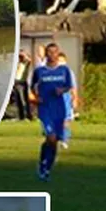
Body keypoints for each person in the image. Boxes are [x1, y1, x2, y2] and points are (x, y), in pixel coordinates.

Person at [30, 43, 75, 182]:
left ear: (58, 53)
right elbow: (32, 87)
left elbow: (69, 86)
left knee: (54, 141)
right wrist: (36, 99)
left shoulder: (64, 70)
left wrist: (63, 90)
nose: (52, 55)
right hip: (46, 109)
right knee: (51, 137)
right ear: (46, 54)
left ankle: (46, 167)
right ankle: (43, 164)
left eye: (55, 52)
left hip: (60, 108)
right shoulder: (39, 71)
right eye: (49, 52)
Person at [57, 53, 78, 149]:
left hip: (65, 98)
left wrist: (74, 99)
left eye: (62, 61)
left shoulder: (69, 73)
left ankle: (65, 140)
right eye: (59, 61)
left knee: (66, 120)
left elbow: (73, 87)